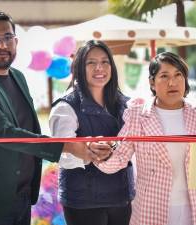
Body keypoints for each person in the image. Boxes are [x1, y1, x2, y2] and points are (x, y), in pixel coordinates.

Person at [0, 11, 110, 225]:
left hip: (21, 195)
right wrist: (69, 146)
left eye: (8, 37)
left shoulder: (17, 77)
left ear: (16, 41)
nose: (2, 45)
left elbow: (29, 128)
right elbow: (4, 134)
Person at [95, 52, 196, 225]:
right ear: (152, 82)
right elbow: (118, 159)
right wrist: (101, 153)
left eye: (178, 75)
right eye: (164, 76)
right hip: (153, 207)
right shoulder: (137, 117)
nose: (172, 82)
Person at [49, 40, 135, 225]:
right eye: (91, 62)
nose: (99, 68)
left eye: (105, 62)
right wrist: (87, 151)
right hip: (83, 201)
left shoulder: (126, 104)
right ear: (80, 67)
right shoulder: (65, 106)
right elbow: (60, 153)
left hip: (121, 196)